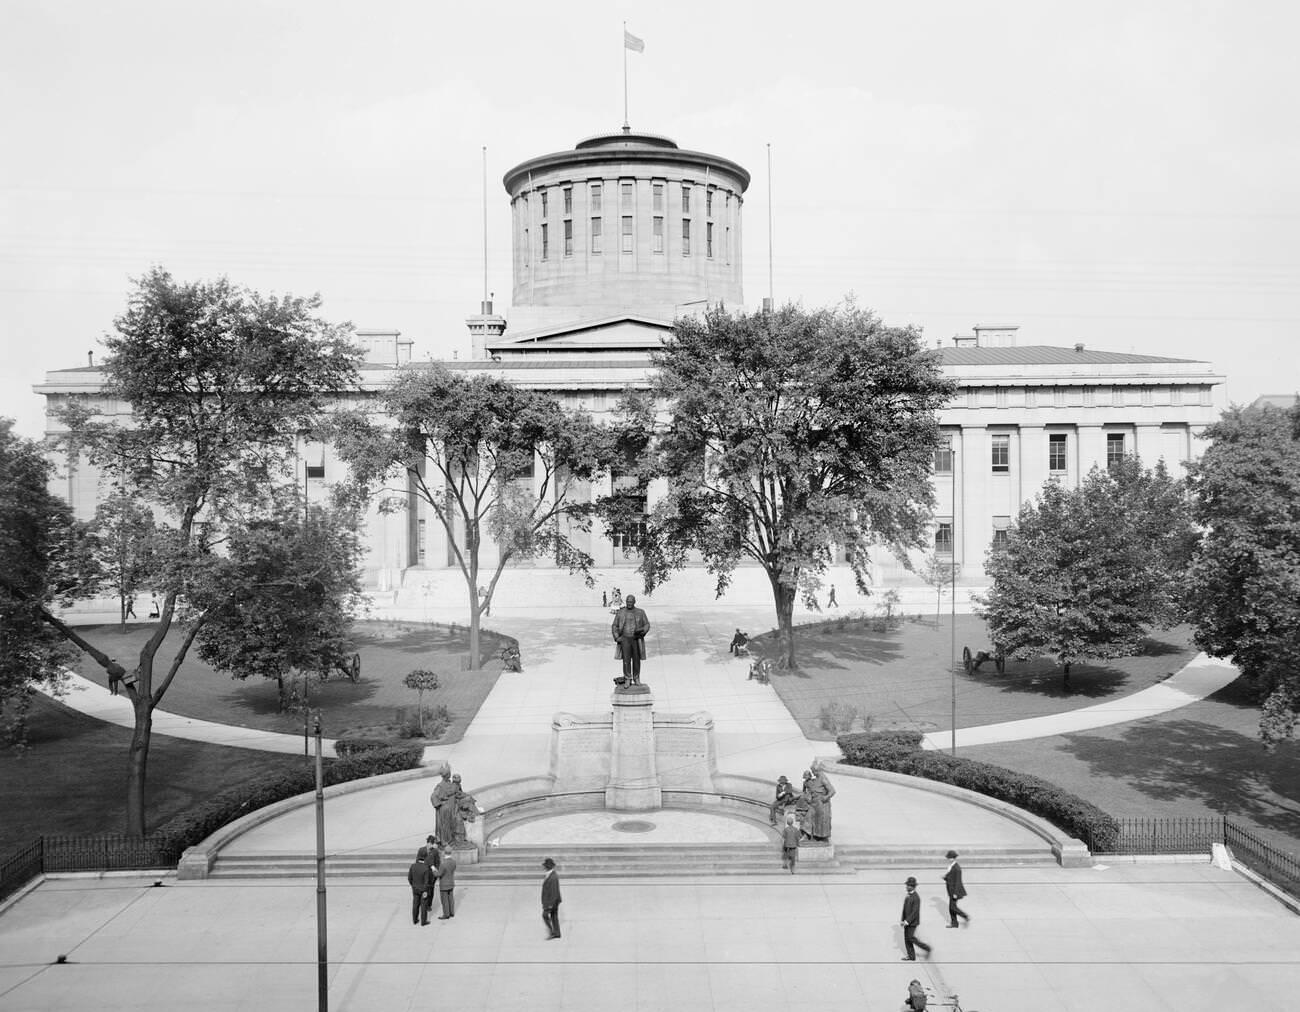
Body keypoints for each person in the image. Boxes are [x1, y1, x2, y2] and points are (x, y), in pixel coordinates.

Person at [611, 593, 650, 685]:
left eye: (631, 602)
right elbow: (614, 625)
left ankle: (636, 678)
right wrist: (617, 637)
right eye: (628, 602)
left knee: (636, 660)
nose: (629, 603)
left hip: (636, 639)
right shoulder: (621, 612)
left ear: (634, 602)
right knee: (626, 660)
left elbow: (647, 624)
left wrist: (643, 631)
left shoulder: (640, 612)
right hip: (625, 639)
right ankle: (628, 678)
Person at [900, 876, 931, 960]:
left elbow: (914, 912)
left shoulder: (916, 898)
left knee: (910, 938)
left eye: (908, 885)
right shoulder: (908, 896)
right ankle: (911, 956)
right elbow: (904, 909)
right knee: (907, 939)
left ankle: (927, 948)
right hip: (906, 921)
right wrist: (902, 919)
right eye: (906, 885)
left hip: (912, 922)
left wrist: (906, 921)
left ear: (913, 886)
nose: (906, 887)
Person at [806, 763, 836, 841]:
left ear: (817, 771)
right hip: (815, 803)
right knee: (814, 819)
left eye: (813, 771)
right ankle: (814, 835)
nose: (812, 773)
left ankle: (822, 837)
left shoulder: (823, 778)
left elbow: (832, 791)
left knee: (822, 821)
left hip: (822, 804)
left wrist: (826, 797)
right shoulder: (816, 778)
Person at [429, 765, 458, 845]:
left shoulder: (449, 783)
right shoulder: (440, 786)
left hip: (450, 808)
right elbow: (433, 796)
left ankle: (450, 839)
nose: (450, 775)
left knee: (450, 824)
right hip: (444, 809)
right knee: (445, 825)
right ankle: (445, 841)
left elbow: (454, 791)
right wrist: (440, 804)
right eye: (449, 774)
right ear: (447, 775)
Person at [407, 847, 434, 926]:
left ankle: (415, 919)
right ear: (425, 857)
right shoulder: (426, 868)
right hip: (423, 890)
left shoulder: (413, 866)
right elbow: (427, 881)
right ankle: (423, 921)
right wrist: (426, 890)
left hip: (415, 889)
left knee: (415, 904)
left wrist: (413, 885)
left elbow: (409, 878)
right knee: (423, 906)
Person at [943, 849, 970, 928]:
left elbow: (958, 881)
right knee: (951, 908)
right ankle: (954, 923)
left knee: (952, 907)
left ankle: (965, 916)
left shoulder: (957, 868)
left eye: (949, 858)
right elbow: (951, 877)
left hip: (955, 891)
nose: (948, 859)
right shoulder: (951, 866)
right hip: (951, 890)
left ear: (953, 858)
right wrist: (945, 877)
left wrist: (955, 893)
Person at [541, 857, 562, 939]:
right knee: (554, 916)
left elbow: (553, 892)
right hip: (554, 901)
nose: (544, 867)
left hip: (552, 901)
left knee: (545, 915)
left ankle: (552, 932)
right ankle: (557, 933)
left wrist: (550, 905)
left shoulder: (553, 877)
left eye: (545, 866)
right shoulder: (550, 874)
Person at [434, 846, 457, 919]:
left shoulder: (443, 864)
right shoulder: (453, 862)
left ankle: (446, 914)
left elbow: (438, 874)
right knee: (451, 898)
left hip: (444, 884)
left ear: (444, 853)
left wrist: (433, 870)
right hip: (451, 882)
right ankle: (451, 912)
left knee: (444, 900)